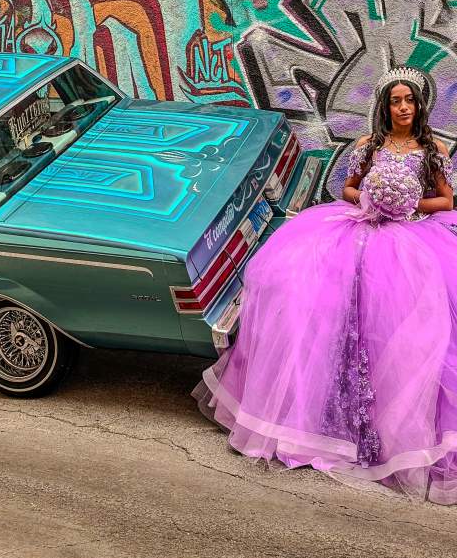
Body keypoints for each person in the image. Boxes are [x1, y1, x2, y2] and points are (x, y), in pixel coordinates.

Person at [193, 67, 457, 503]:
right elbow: (348, 188)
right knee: (310, 296)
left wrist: (408, 205)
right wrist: (371, 198)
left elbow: (446, 200)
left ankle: (388, 420)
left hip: (411, 237)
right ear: (385, 106)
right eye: (396, 101)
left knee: (406, 319)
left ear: (420, 105)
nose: (404, 107)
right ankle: (323, 409)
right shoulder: (367, 146)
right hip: (361, 229)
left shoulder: (433, 149)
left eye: (410, 100)